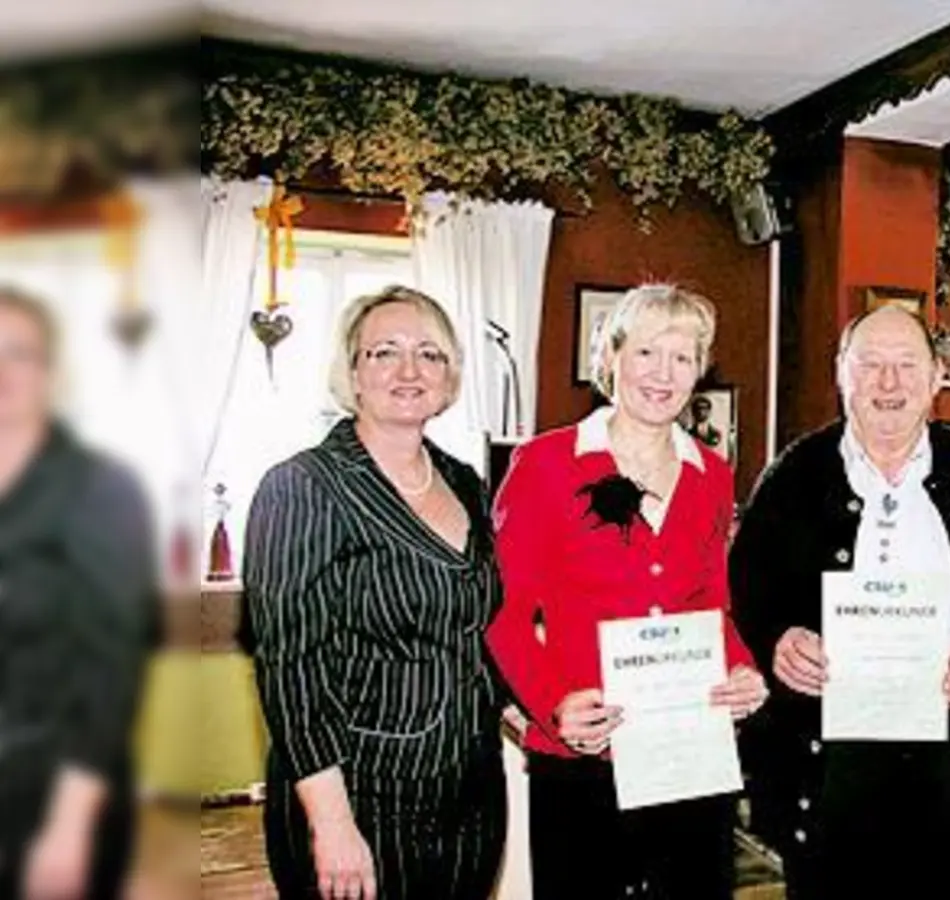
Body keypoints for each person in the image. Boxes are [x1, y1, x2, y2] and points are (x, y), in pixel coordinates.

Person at [730, 305, 950, 900]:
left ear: (935, 379)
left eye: (905, 365)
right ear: (842, 375)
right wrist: (779, 640)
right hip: (827, 782)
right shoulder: (792, 477)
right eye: (871, 365)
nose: (888, 384)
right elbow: (749, 585)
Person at [487, 284, 767, 899]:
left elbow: (711, 606)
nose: (662, 374)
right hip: (587, 752)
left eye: (683, 357)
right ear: (610, 358)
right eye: (646, 353)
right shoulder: (544, 465)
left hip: (690, 753)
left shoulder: (713, 475)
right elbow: (501, 617)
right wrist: (553, 705)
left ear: (700, 371)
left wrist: (743, 668)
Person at [244, 285, 506, 900]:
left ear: (451, 376)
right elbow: (292, 671)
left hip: (471, 794)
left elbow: (479, 630)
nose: (410, 371)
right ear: (353, 373)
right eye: (384, 352)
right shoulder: (302, 487)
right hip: (361, 801)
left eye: (430, 354)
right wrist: (332, 824)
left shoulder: (466, 482)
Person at [0, 287, 156, 900]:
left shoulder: (101, 490)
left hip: (50, 803)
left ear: (52, 374)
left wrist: (67, 830)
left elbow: (108, 679)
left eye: (20, 353)